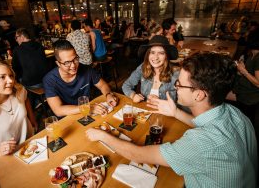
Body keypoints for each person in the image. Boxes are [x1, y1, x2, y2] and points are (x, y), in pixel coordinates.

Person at [86, 52, 258, 187]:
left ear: (198, 94)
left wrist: (102, 136)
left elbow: (137, 154)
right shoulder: (235, 113)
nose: (176, 87)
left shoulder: (201, 142)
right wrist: (175, 113)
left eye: (180, 84)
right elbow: (209, 127)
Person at [43, 40, 118, 117]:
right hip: (69, 117)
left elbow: (102, 85)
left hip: (88, 113)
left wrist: (108, 94)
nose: (73, 66)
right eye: (67, 63)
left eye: (75, 59)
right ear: (58, 63)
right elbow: (58, 110)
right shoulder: (49, 80)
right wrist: (88, 108)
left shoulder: (86, 69)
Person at [227, 27, 259, 122]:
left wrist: (243, 71)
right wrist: (241, 71)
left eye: (248, 36)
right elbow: (250, 73)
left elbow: (258, 83)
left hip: (248, 96)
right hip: (243, 90)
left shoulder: (258, 58)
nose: (245, 37)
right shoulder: (253, 54)